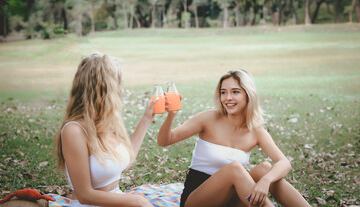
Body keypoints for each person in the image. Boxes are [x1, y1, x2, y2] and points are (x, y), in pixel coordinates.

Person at [157, 69, 311, 207]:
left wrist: (266, 180)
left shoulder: (255, 131)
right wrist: (171, 116)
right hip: (197, 201)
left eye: (235, 92)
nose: (227, 98)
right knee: (234, 169)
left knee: (265, 169)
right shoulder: (209, 118)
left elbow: (284, 163)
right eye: (223, 92)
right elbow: (164, 141)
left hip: (230, 201)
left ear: (248, 94)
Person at [54, 53, 156, 207]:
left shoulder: (108, 123)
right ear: (104, 89)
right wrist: (136, 200)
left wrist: (147, 119)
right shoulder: (74, 131)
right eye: (119, 84)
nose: (121, 90)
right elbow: (84, 195)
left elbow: (124, 162)